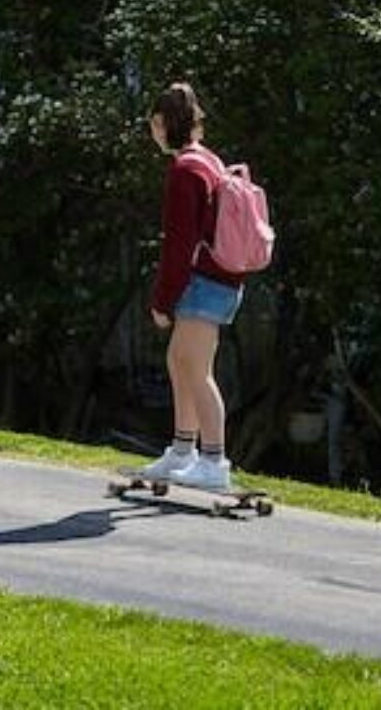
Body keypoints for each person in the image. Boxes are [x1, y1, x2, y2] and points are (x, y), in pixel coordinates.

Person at [139, 82, 246, 492]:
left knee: (197, 370)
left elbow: (179, 244)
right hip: (218, 279)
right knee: (180, 361)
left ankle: (214, 461)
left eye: (154, 125)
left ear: (162, 123)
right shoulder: (207, 160)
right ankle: (183, 451)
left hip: (206, 282)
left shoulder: (184, 170)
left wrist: (162, 300)